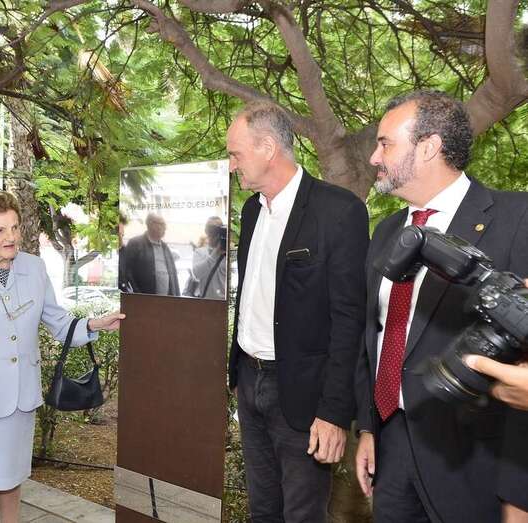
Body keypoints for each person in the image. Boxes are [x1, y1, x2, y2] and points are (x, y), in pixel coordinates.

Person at [354, 90, 528, 522]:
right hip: (391, 450)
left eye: (386, 144)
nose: (375, 157)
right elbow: (373, 335)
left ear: (428, 147)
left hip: (474, 468)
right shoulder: (388, 231)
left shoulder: (518, 219)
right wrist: (368, 428)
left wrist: (518, 498)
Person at [0, 192, 124, 522]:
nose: (12, 237)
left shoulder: (34, 267)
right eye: (1, 230)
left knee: (11, 478)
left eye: (14, 228)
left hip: (21, 396)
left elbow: (59, 324)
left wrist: (95, 323)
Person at [226, 104, 369, 522]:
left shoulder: (337, 212)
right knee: (262, 508)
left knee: (303, 513)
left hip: (305, 396)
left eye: (236, 153)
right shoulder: (252, 211)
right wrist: (240, 375)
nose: (232, 163)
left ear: (268, 147)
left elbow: (349, 320)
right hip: (250, 382)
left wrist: (333, 412)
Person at [122, 212, 180, 296]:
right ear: (150, 224)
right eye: (162, 224)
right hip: (144, 301)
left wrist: (177, 298)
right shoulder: (135, 244)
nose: (165, 228)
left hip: (166, 301)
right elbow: (127, 272)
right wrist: (137, 295)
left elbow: (173, 276)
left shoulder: (165, 248)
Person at [187, 216, 226, 299]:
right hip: (205, 301)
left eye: (216, 228)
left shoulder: (227, 254)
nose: (213, 232)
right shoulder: (200, 252)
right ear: (206, 231)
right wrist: (216, 253)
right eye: (210, 228)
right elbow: (197, 273)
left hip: (223, 302)